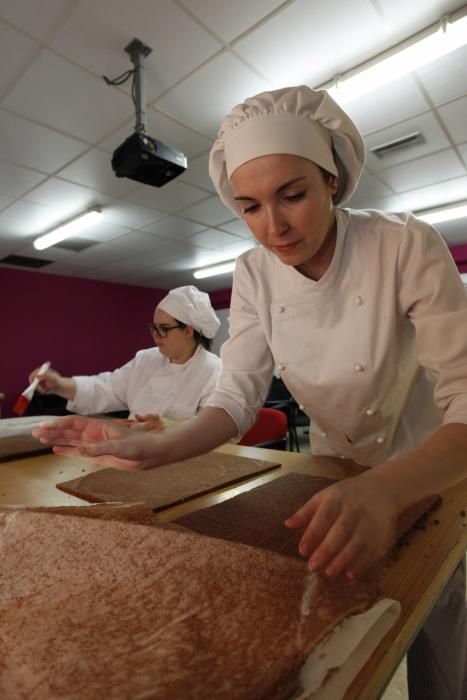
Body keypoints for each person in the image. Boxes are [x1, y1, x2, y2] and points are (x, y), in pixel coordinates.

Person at [35, 86, 467, 699]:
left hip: (434, 462)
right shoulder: (253, 273)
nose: (275, 227)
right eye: (250, 208)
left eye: (293, 195)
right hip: (338, 464)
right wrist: (154, 450)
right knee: (344, 629)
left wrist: (389, 486)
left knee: (437, 619)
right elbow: (235, 397)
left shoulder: (404, 244)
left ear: (333, 181)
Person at [30, 285, 222, 427]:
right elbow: (107, 388)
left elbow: (214, 428)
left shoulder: (213, 370)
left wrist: (169, 426)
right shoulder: (146, 359)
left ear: (188, 331)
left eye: (163, 329)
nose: (155, 336)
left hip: (185, 461)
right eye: (154, 328)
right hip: (136, 451)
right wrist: (58, 384)